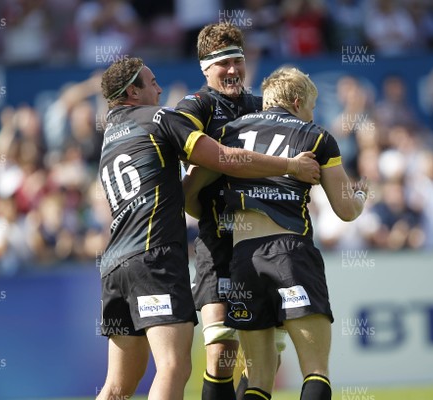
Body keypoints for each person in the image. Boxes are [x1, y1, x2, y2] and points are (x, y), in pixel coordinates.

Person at [95, 57, 320, 400]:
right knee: (173, 367)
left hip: (113, 266)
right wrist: (290, 165)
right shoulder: (159, 119)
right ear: (132, 92)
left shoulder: (110, 137)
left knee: (116, 388)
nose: (159, 88)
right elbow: (224, 158)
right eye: (152, 82)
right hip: (154, 258)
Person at [185, 67, 367, 400]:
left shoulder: (228, 134)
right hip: (290, 252)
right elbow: (345, 210)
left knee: (257, 380)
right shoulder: (315, 136)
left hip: (241, 260)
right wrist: (361, 196)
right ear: (298, 102)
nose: (313, 114)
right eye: (311, 106)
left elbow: (188, 194)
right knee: (315, 370)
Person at [175, 22, 285, 400]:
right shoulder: (196, 106)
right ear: (205, 69)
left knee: (267, 357)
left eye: (238, 60)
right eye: (223, 64)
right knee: (222, 351)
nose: (234, 70)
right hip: (218, 241)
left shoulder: (260, 108)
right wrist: (218, 164)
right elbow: (185, 157)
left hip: (261, 241)